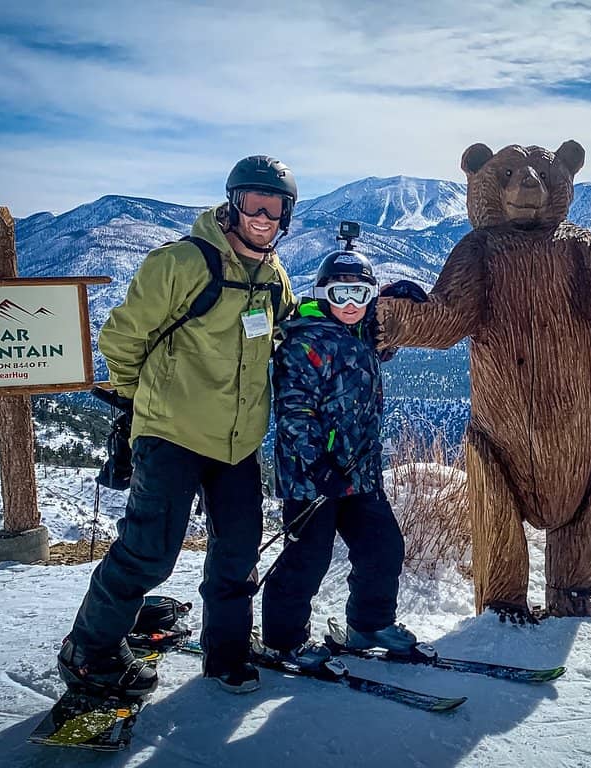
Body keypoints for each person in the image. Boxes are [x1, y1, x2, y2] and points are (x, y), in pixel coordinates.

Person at [58, 155, 298, 696]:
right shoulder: (180, 264)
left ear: (287, 215)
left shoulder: (273, 277)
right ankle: (89, 651)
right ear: (233, 205)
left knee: (238, 550)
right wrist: (136, 404)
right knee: (150, 551)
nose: (264, 217)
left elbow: (282, 336)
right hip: (172, 433)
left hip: (238, 442)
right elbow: (122, 339)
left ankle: (227, 652)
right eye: (255, 205)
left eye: (276, 208)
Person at [260, 245, 416, 670]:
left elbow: (380, 339)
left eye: (360, 295)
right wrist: (317, 465)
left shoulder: (362, 330)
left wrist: (401, 298)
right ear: (322, 293)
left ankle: (370, 623)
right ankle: (282, 640)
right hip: (314, 476)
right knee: (308, 558)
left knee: (383, 548)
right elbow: (294, 411)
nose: (350, 304)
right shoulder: (303, 341)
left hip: (360, 472)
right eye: (341, 294)